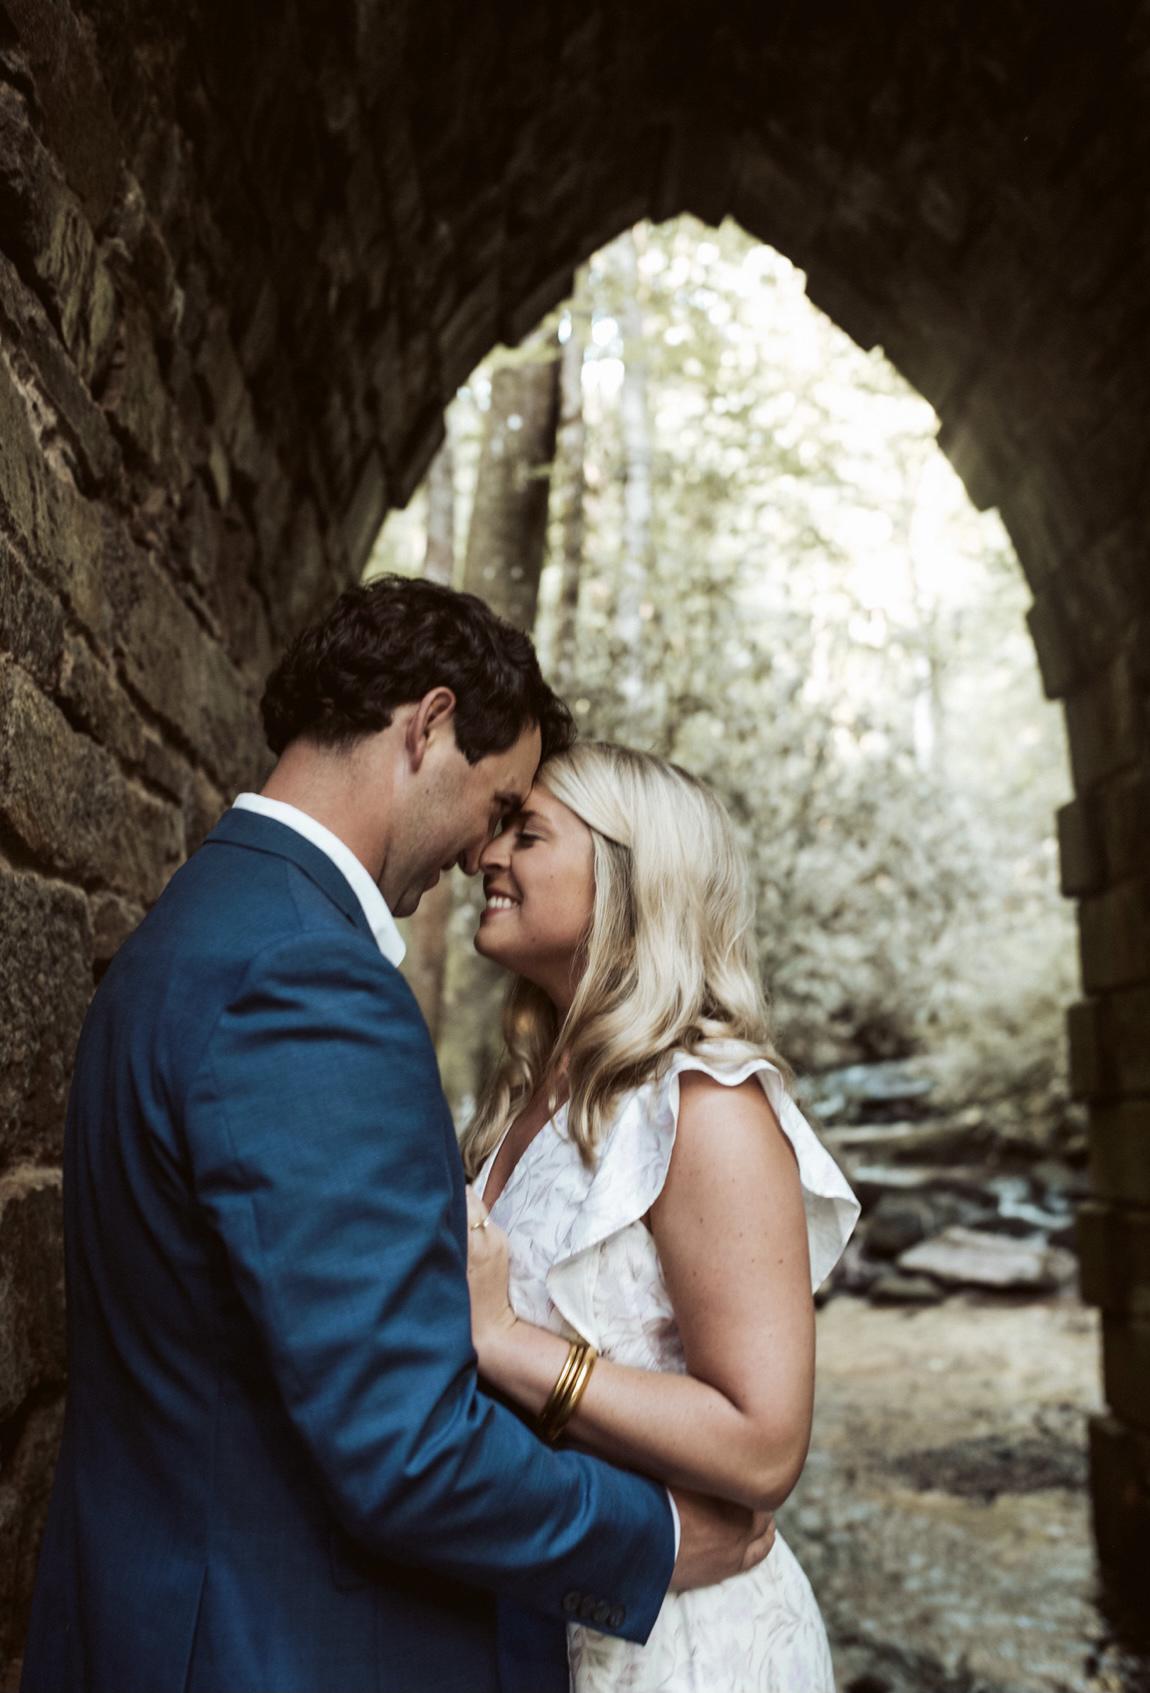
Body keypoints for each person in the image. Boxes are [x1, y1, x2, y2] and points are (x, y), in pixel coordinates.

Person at [20, 579, 773, 1693]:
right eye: (499, 802)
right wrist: (653, 1538)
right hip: (269, 1645)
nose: (479, 855)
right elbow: (406, 1446)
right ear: (428, 727)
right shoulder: (305, 978)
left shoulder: (200, 923)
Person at [463, 739, 861, 1692]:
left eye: (528, 834)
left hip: (686, 1646)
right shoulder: (529, 1094)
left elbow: (764, 1445)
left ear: (625, 877)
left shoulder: (707, 1106)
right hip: (548, 1611)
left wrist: (508, 1344)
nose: (487, 855)